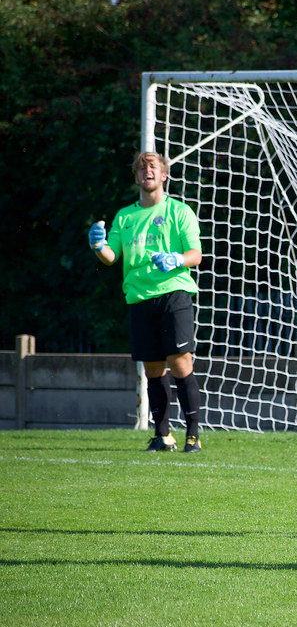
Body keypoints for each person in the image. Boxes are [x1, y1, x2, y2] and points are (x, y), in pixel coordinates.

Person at [89, 151, 204, 453]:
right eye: (141, 168)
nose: (146, 171)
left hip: (173, 293)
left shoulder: (180, 211)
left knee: (179, 361)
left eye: (152, 166)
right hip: (139, 298)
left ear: (163, 175)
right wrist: (98, 245)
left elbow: (196, 254)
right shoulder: (124, 217)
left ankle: (193, 435)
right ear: (136, 177)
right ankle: (162, 435)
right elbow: (111, 257)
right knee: (153, 368)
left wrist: (176, 259)